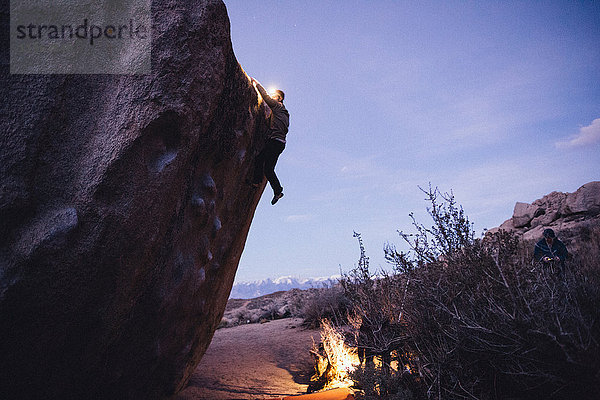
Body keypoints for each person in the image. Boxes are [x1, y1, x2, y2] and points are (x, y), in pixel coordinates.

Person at [250, 77, 289, 205]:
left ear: (280, 99)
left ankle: (256, 182)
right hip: (280, 143)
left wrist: (256, 84)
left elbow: (266, 97)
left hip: (275, 141)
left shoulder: (278, 107)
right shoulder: (284, 113)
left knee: (259, 159)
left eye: (275, 96)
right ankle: (278, 191)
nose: (272, 97)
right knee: (268, 169)